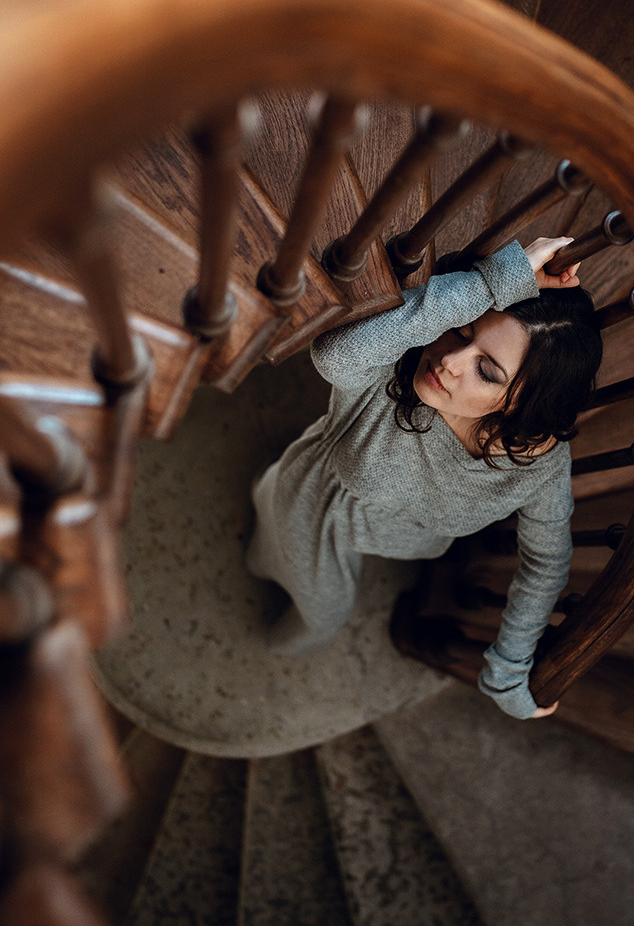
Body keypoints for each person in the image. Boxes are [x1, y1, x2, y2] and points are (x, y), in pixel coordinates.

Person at [247, 235, 603, 719]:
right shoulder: (395, 362)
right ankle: (263, 637)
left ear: (520, 406)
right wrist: (492, 283)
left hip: (388, 534)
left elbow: (546, 561)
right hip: (316, 503)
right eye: (461, 331)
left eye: (487, 371)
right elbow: (334, 354)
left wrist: (508, 670)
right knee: (319, 613)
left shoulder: (536, 464)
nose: (448, 363)